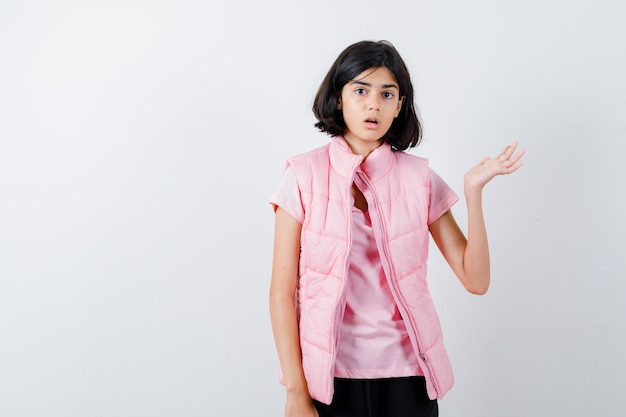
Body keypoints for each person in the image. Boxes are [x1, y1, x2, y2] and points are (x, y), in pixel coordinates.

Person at [268, 40, 524, 417]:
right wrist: (294, 390)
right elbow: (281, 293)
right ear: (338, 98)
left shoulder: (419, 178)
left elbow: (476, 280)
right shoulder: (302, 176)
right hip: (329, 379)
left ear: (400, 105)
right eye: (360, 90)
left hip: (410, 377)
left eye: (387, 94)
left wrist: (473, 192)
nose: (374, 104)